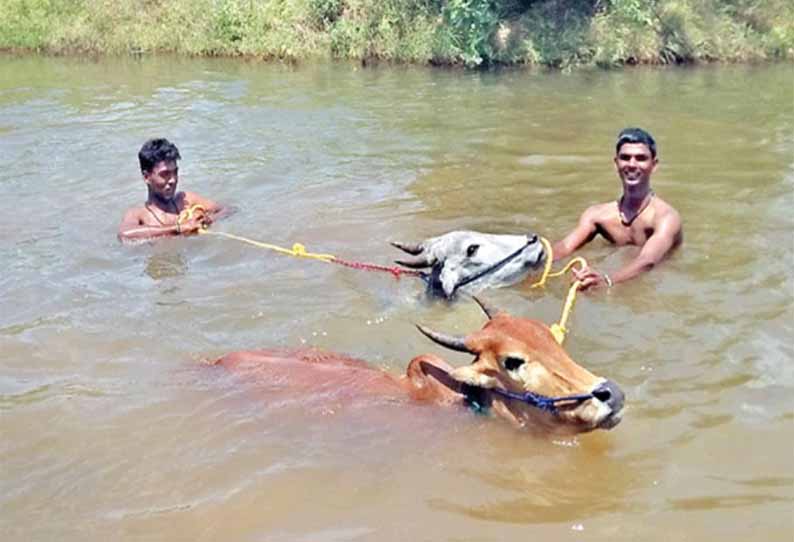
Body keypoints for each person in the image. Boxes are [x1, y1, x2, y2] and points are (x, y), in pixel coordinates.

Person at [552, 128, 682, 290]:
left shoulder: (666, 217)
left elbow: (648, 261)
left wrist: (606, 281)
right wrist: (536, 260)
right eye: (625, 158)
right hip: (622, 274)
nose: (632, 164)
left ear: (653, 165)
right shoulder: (597, 215)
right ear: (616, 163)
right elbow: (564, 247)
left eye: (641, 158)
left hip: (657, 287)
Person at [118, 138, 224, 242]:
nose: (173, 180)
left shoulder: (186, 200)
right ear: (146, 177)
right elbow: (124, 234)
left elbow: (228, 209)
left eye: (175, 172)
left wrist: (208, 220)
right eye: (164, 174)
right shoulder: (139, 214)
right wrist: (177, 228)